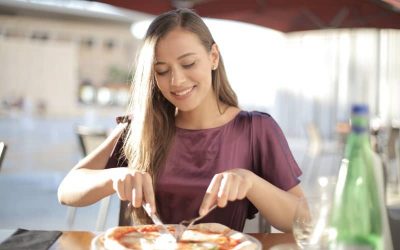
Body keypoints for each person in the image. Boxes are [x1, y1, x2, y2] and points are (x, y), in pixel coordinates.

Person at [58, 8, 304, 232]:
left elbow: (306, 220)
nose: (176, 81)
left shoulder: (255, 130)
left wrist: (251, 182)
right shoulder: (140, 127)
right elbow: (67, 189)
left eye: (188, 63)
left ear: (214, 57)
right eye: (162, 71)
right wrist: (114, 177)